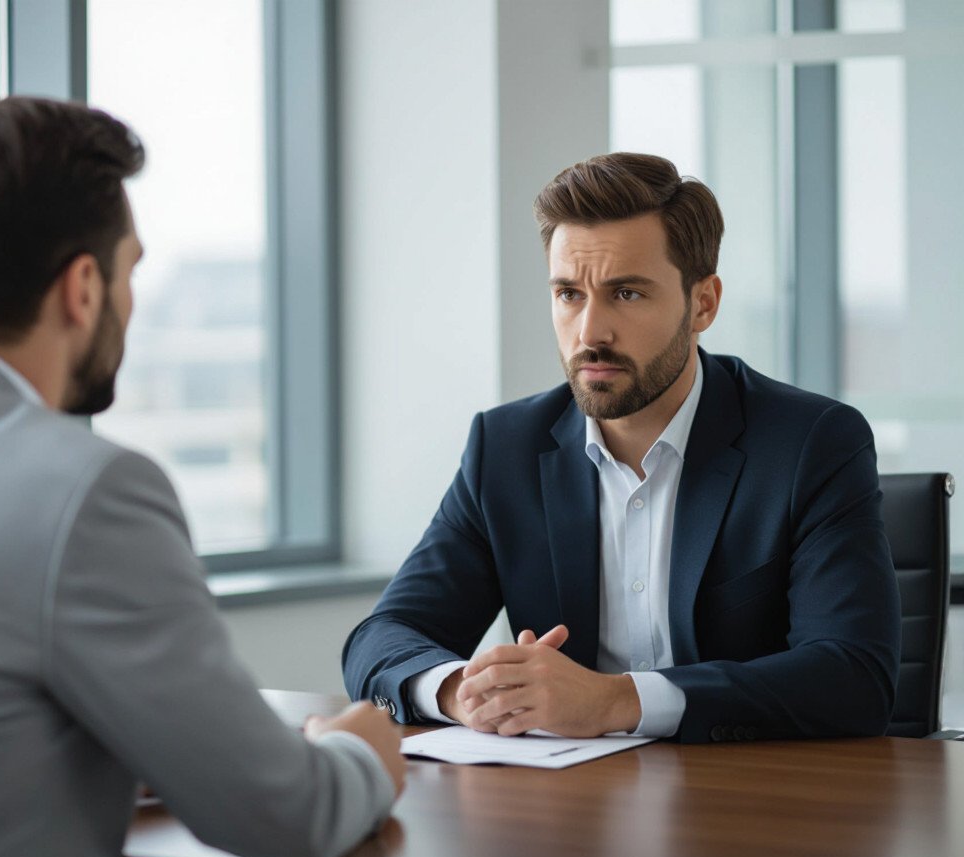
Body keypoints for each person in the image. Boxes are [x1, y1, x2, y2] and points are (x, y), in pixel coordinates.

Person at [0, 97, 403, 857]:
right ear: (83, 287)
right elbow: (288, 817)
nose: (131, 300)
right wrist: (360, 751)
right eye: (131, 269)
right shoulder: (87, 491)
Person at [343, 152, 900, 744]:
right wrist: (463, 691)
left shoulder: (811, 443)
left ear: (703, 304)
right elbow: (382, 638)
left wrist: (615, 701)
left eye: (626, 294)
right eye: (568, 294)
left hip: (749, 788)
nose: (590, 333)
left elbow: (853, 676)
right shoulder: (505, 449)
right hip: (569, 789)